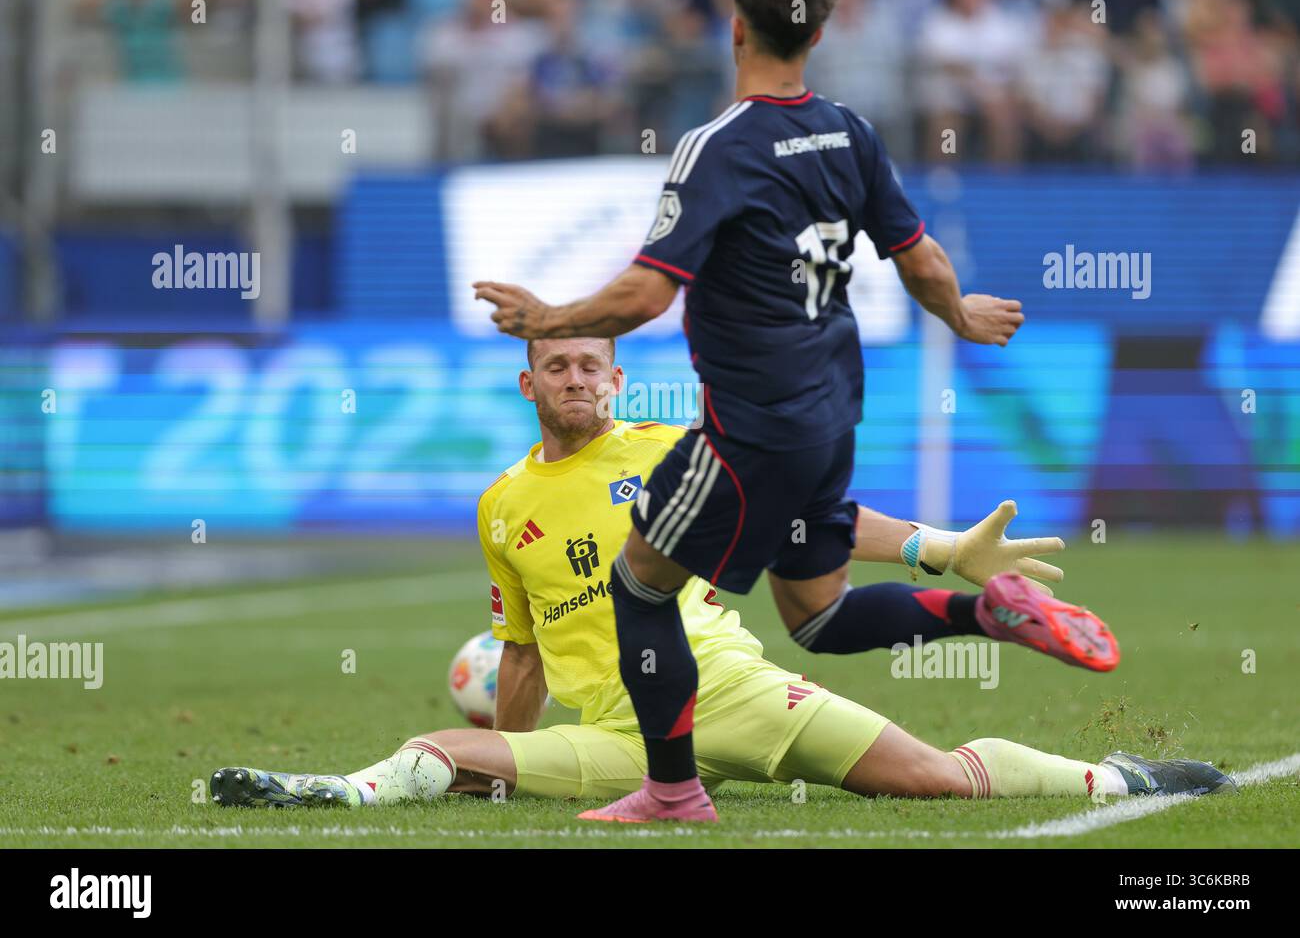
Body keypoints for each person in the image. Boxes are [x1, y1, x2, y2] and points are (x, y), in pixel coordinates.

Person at [472, 0, 1110, 823]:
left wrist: (554, 311)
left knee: (640, 587)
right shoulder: (849, 131)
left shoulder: (718, 146)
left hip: (750, 420)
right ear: (817, 35)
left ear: (736, 28)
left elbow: (647, 293)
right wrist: (960, 315)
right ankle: (984, 612)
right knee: (816, 614)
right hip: (830, 412)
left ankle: (671, 792)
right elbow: (918, 256)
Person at [211, 338, 1231, 813]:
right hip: (614, 735)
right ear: (528, 383)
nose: (576, 380)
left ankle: (1120, 778)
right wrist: (504, 759)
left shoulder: (668, 446)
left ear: (617, 377)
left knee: (934, 779)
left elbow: (807, 521)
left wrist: (933, 545)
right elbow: (520, 653)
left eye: (592, 365)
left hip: (733, 691)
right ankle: (325, 795)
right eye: (556, 366)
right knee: (439, 747)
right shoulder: (498, 507)